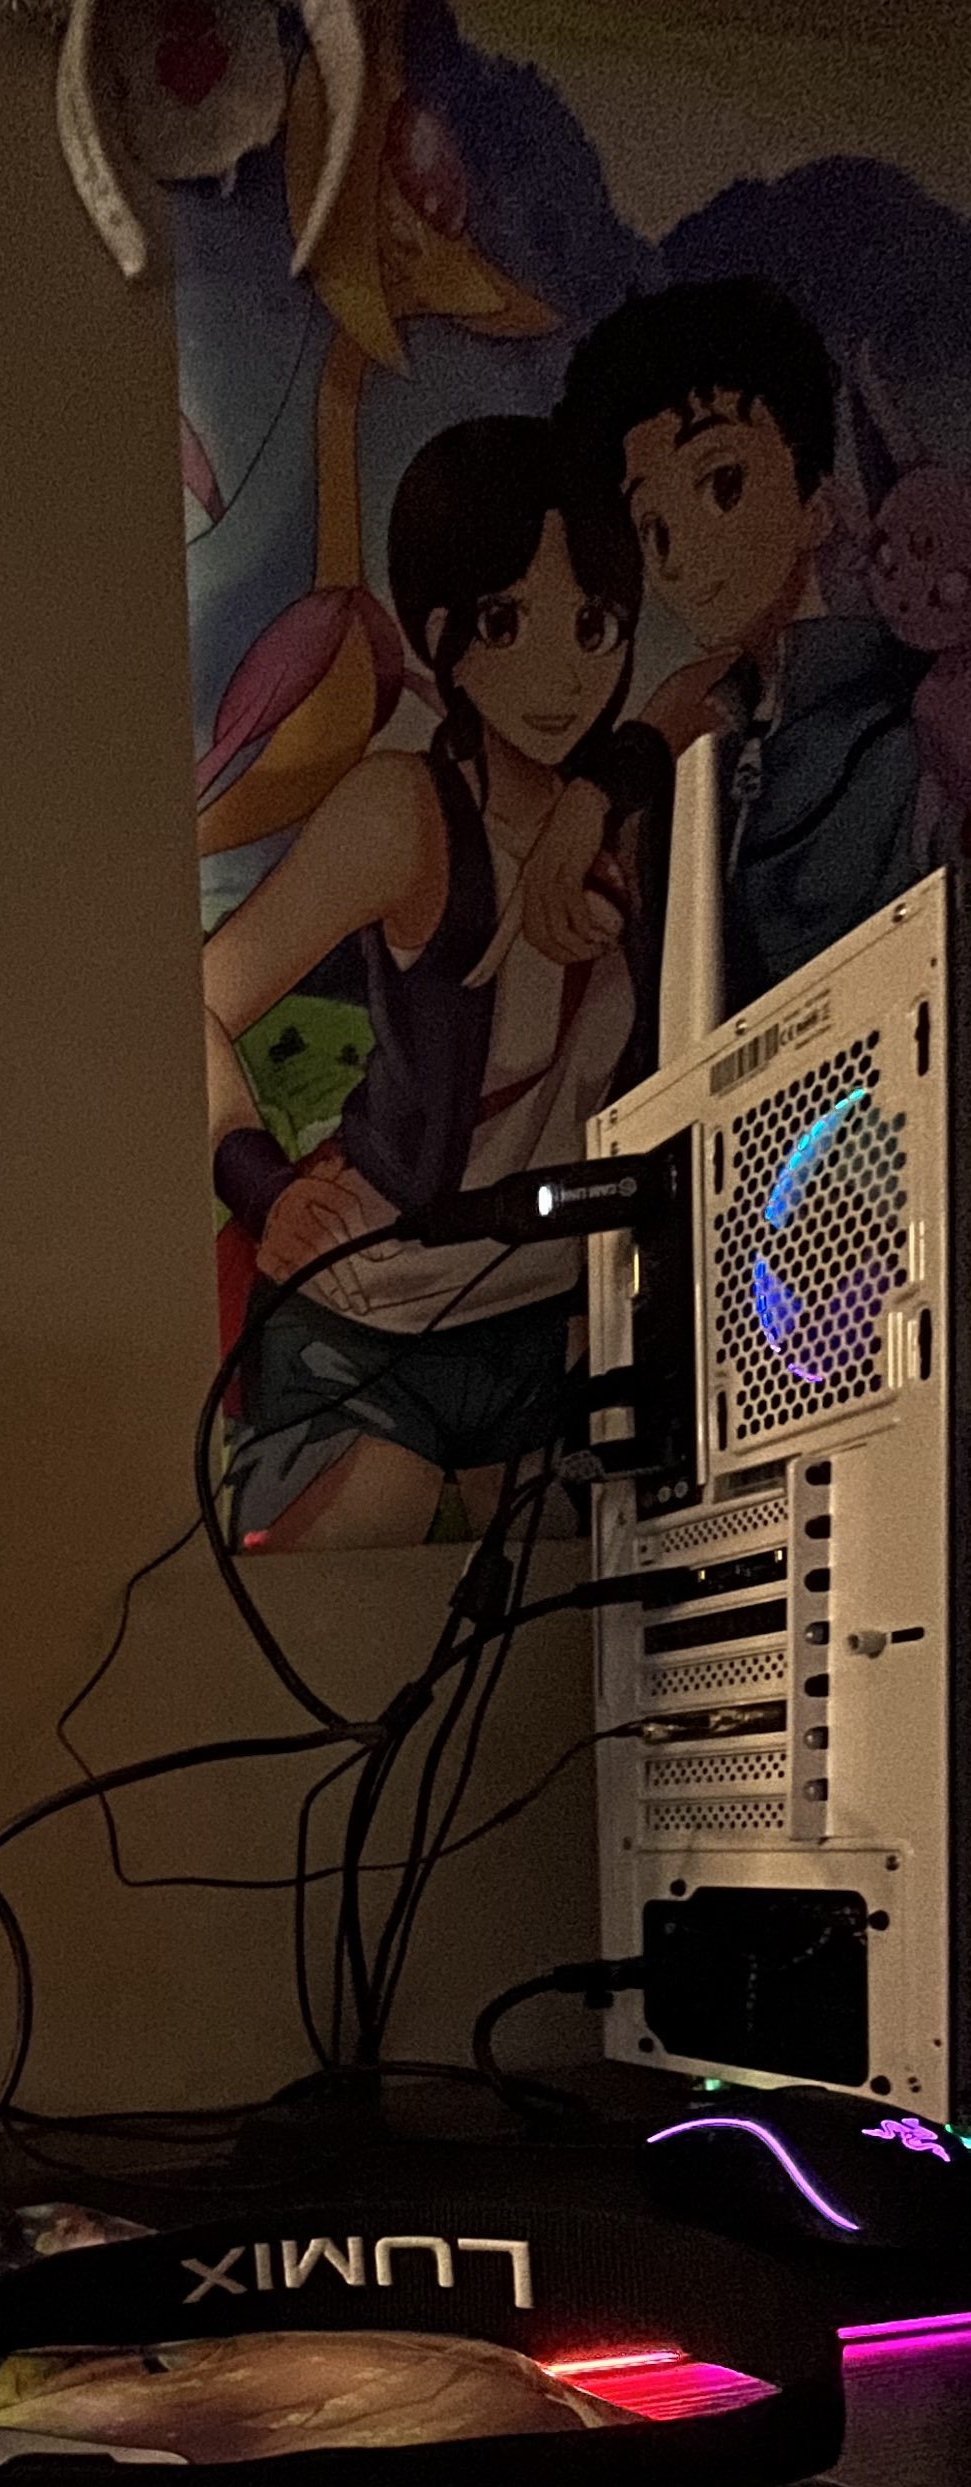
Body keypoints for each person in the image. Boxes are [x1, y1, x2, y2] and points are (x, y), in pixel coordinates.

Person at [203, 415, 662, 1547]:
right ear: (446, 637)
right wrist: (257, 1181)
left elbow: (706, 697)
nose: (561, 674)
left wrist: (593, 802)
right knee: (360, 1587)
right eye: (507, 623)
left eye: (593, 627)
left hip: (552, 1329)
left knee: (593, 1634)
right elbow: (193, 1000)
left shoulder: (636, 823)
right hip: (365, 1324)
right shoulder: (403, 811)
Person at [531, 276, 929, 1004]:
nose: (680, 554)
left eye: (722, 485)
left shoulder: (903, 731)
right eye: (653, 528)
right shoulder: (703, 768)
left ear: (816, 503)